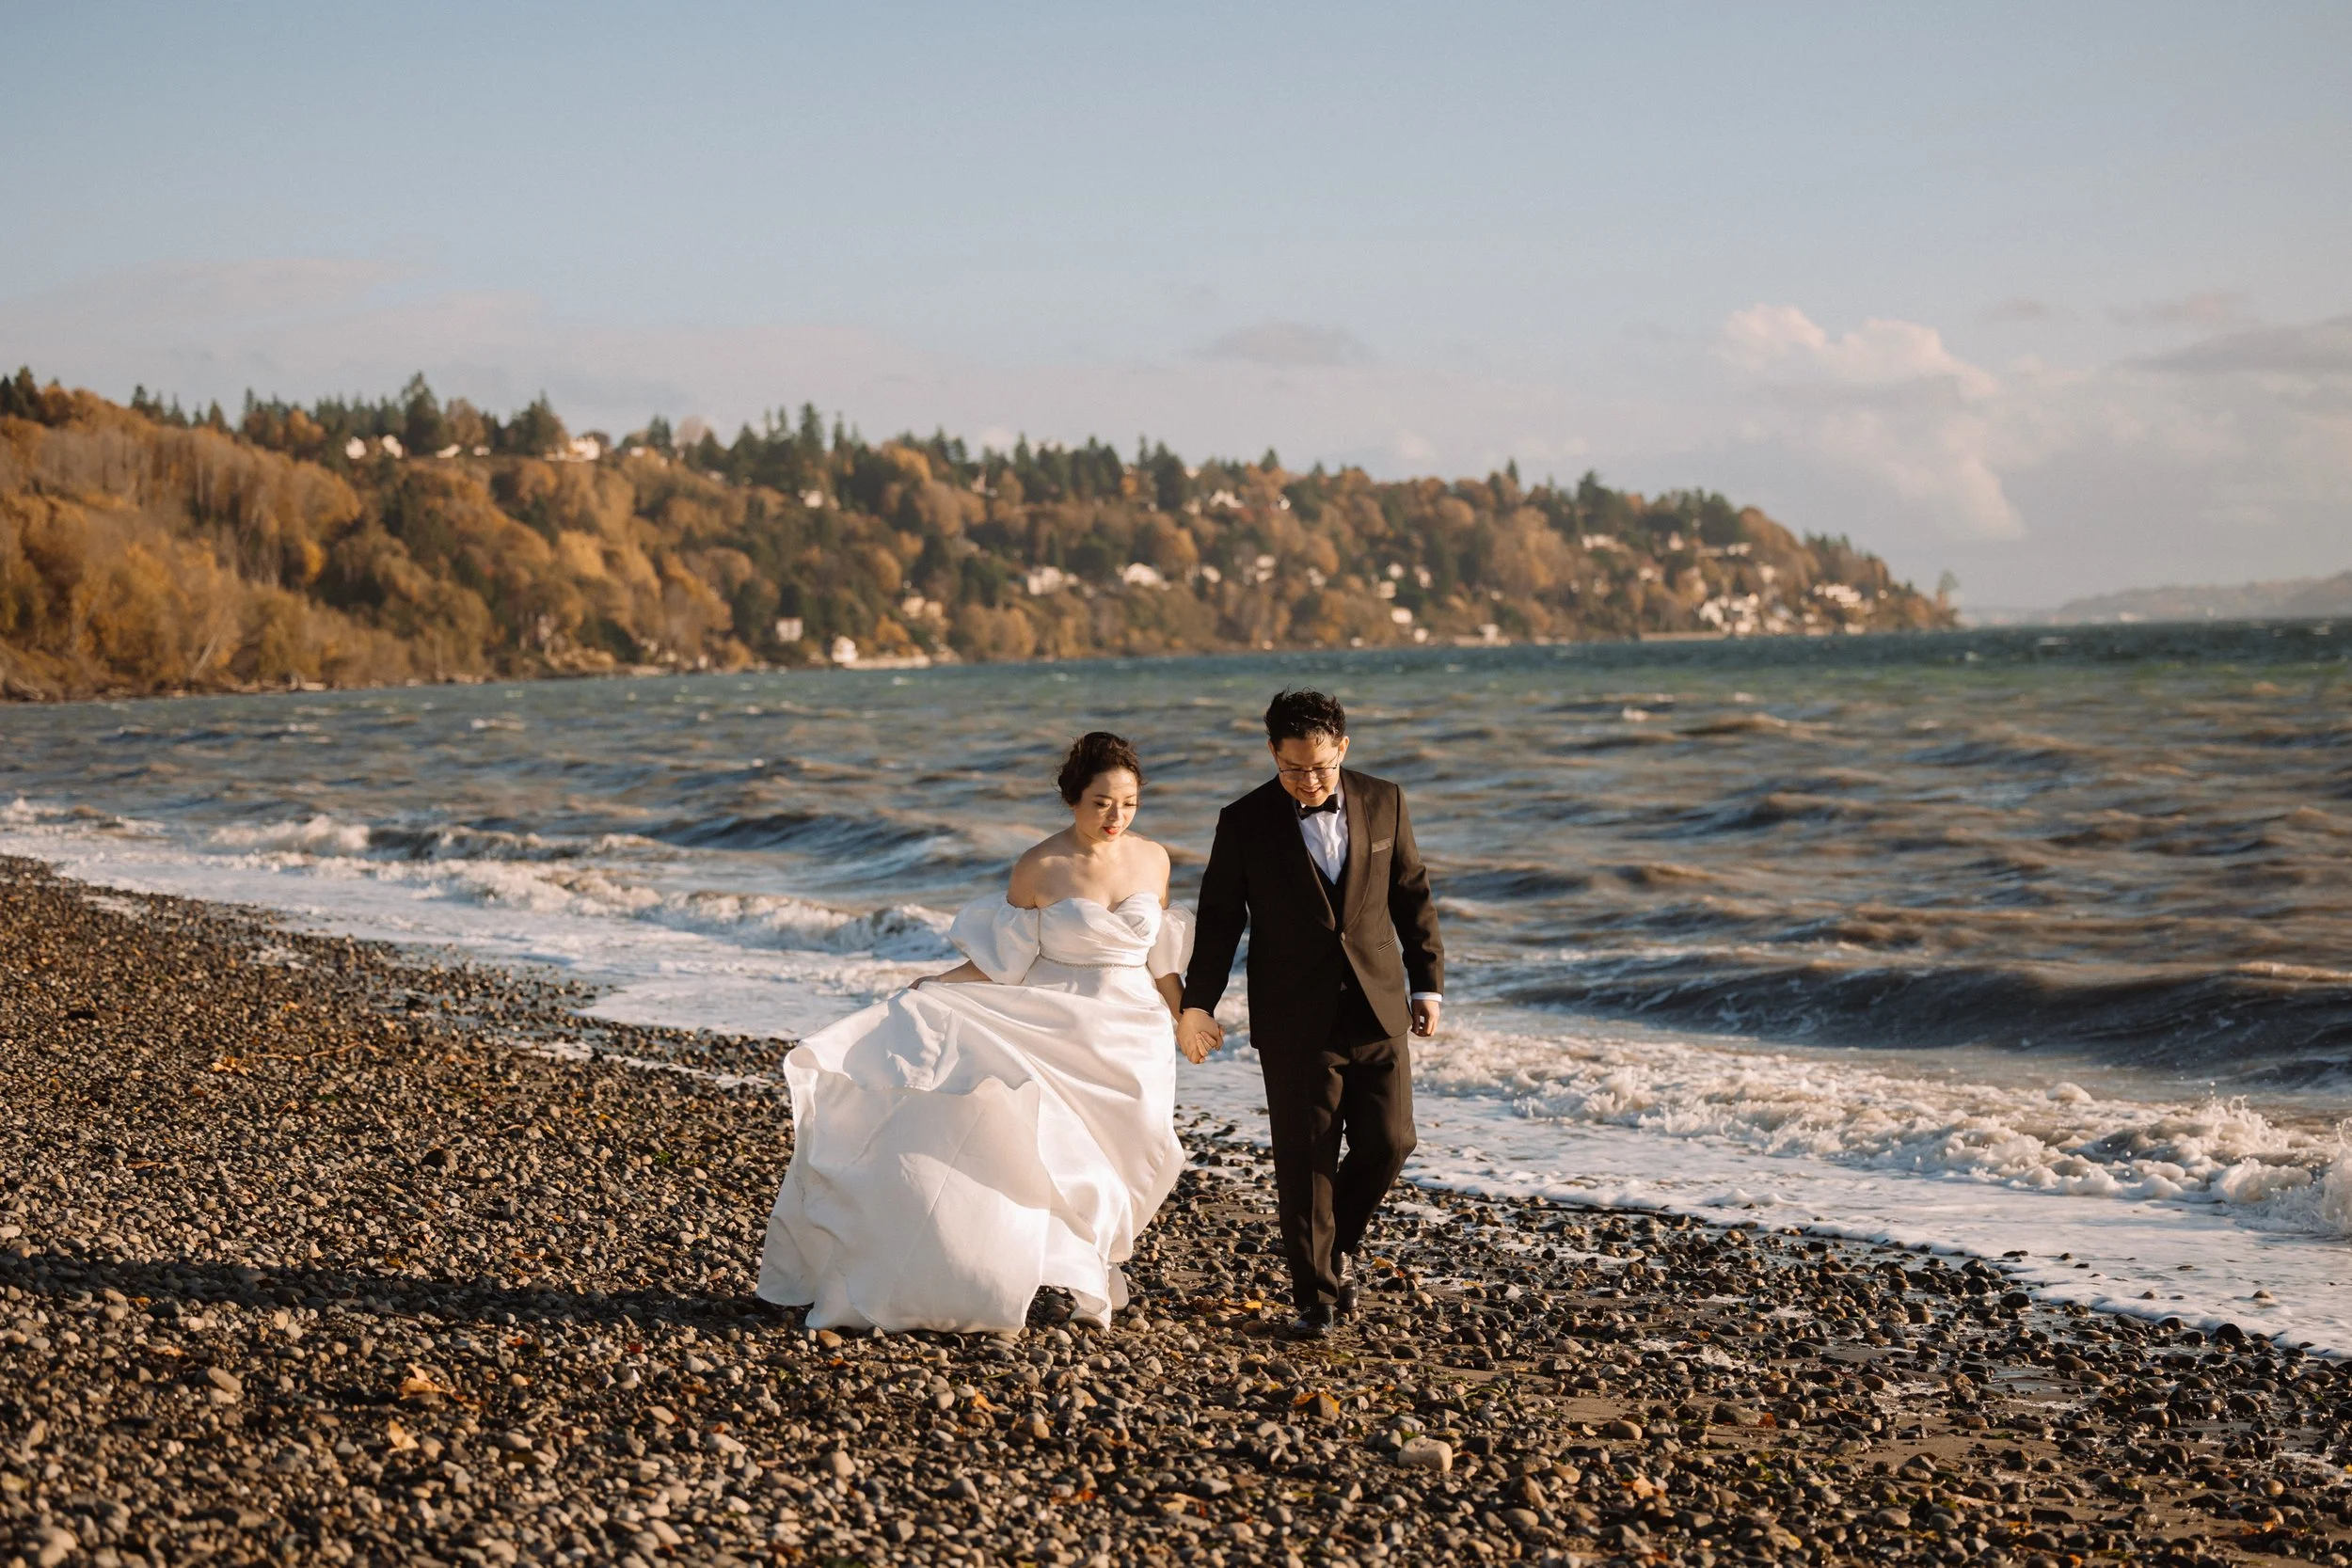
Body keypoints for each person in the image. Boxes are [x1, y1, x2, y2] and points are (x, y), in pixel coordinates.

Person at [755, 732, 1191, 1333]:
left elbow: (1161, 957)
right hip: (1056, 1026)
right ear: (1074, 798)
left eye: (1129, 803)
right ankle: (1082, 1276)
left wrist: (1186, 1013)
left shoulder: (1154, 858)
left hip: (1134, 1034)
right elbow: (1003, 962)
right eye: (1101, 803)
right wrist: (938, 983)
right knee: (1066, 1153)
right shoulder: (1040, 865)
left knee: (1136, 1150)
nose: (1116, 816)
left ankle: (1098, 1261)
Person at [1178, 689, 1444, 1339]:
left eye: (1321, 766)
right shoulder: (1242, 821)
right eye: (1294, 768)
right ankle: (1317, 1299)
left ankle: (1334, 1249)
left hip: (1379, 1004)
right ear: (1272, 751)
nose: (1309, 779)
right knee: (1307, 1158)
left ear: (1343, 748)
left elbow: (1412, 894)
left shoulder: (1386, 800)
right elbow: (1219, 922)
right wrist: (1197, 1004)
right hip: (1295, 1016)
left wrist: (1426, 983)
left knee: (1391, 1140)